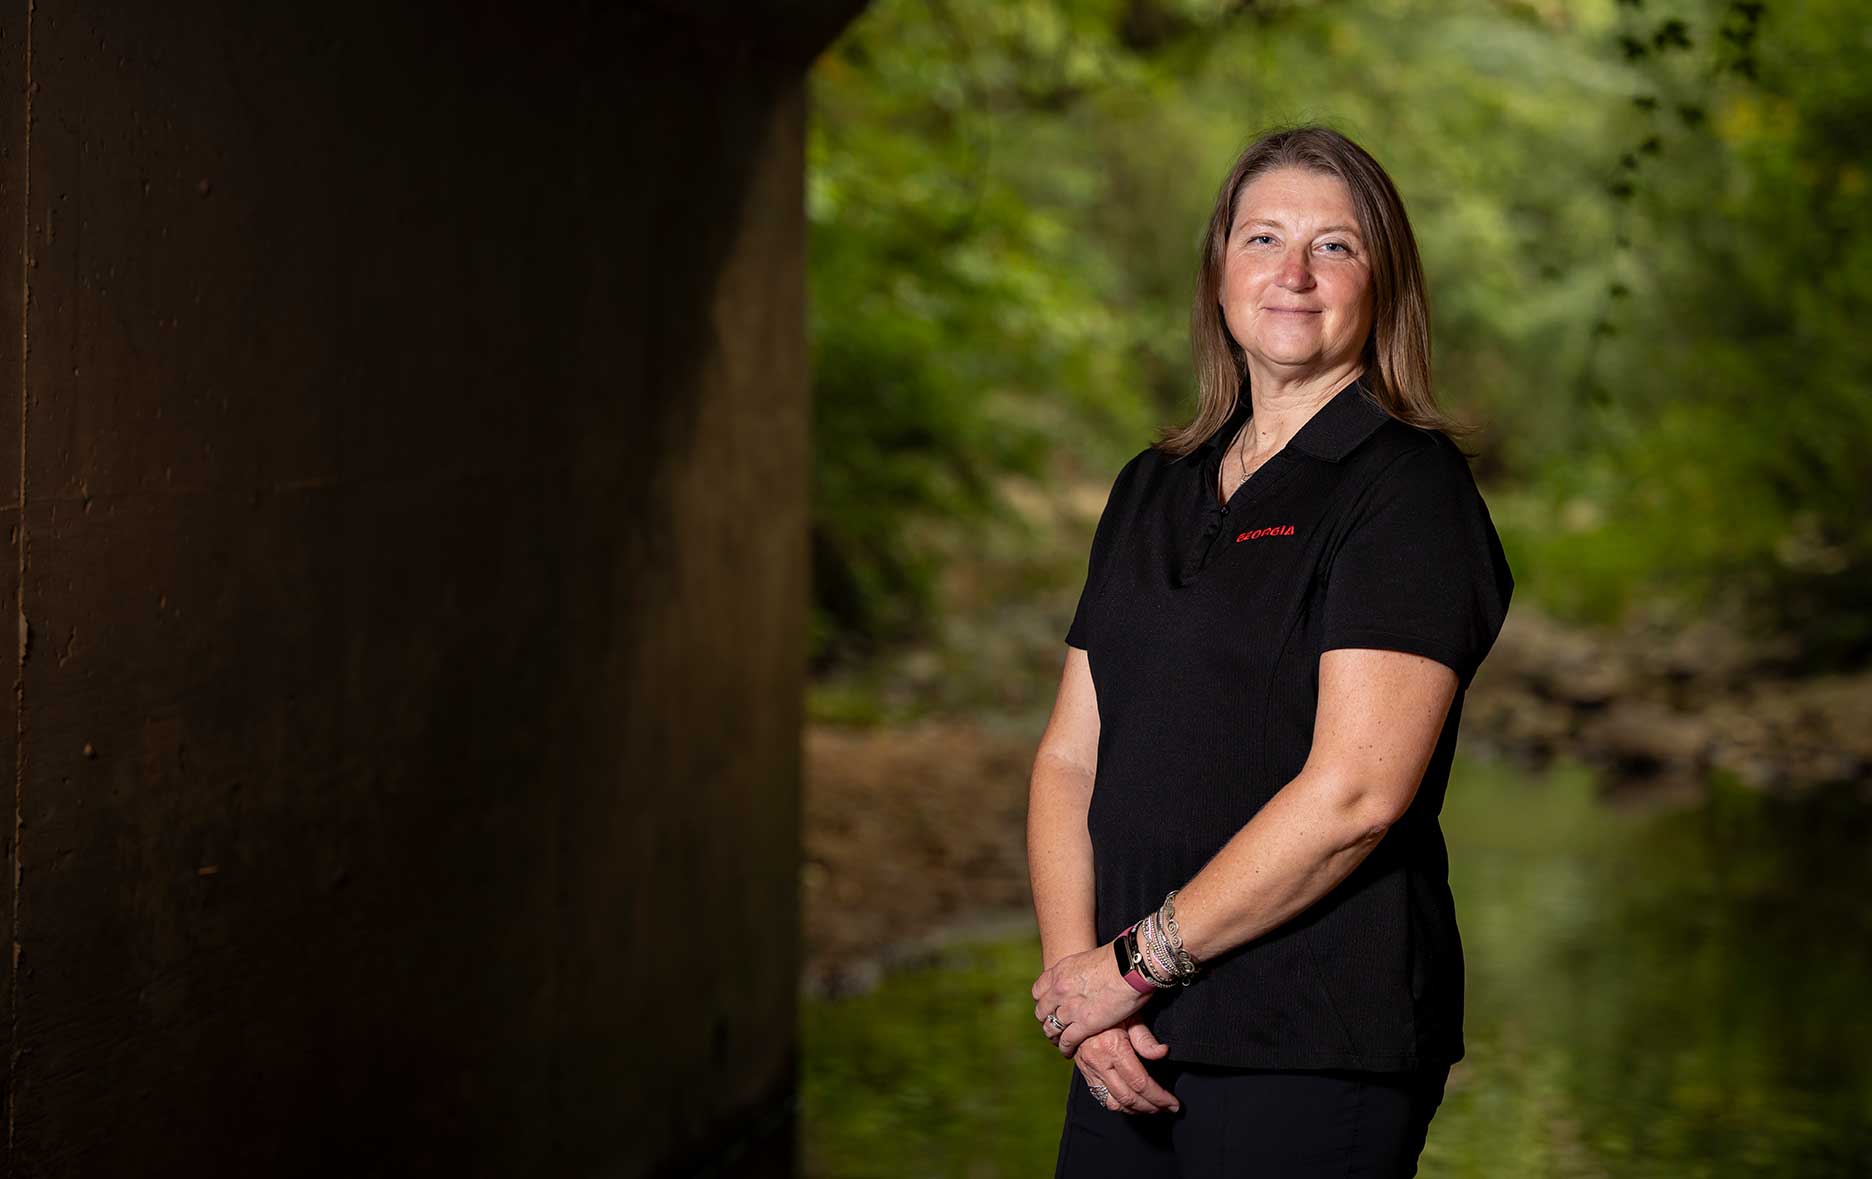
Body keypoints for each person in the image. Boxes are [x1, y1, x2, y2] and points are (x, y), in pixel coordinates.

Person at [1024, 123, 1515, 1177]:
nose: (1293, 273)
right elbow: (1071, 757)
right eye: (1263, 239)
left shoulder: (1407, 492)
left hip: (1309, 1041)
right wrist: (1080, 985)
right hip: (1123, 1041)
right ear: (1218, 273)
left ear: (1384, 284)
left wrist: (1132, 965)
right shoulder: (1152, 484)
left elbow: (1357, 797)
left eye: (1334, 246)